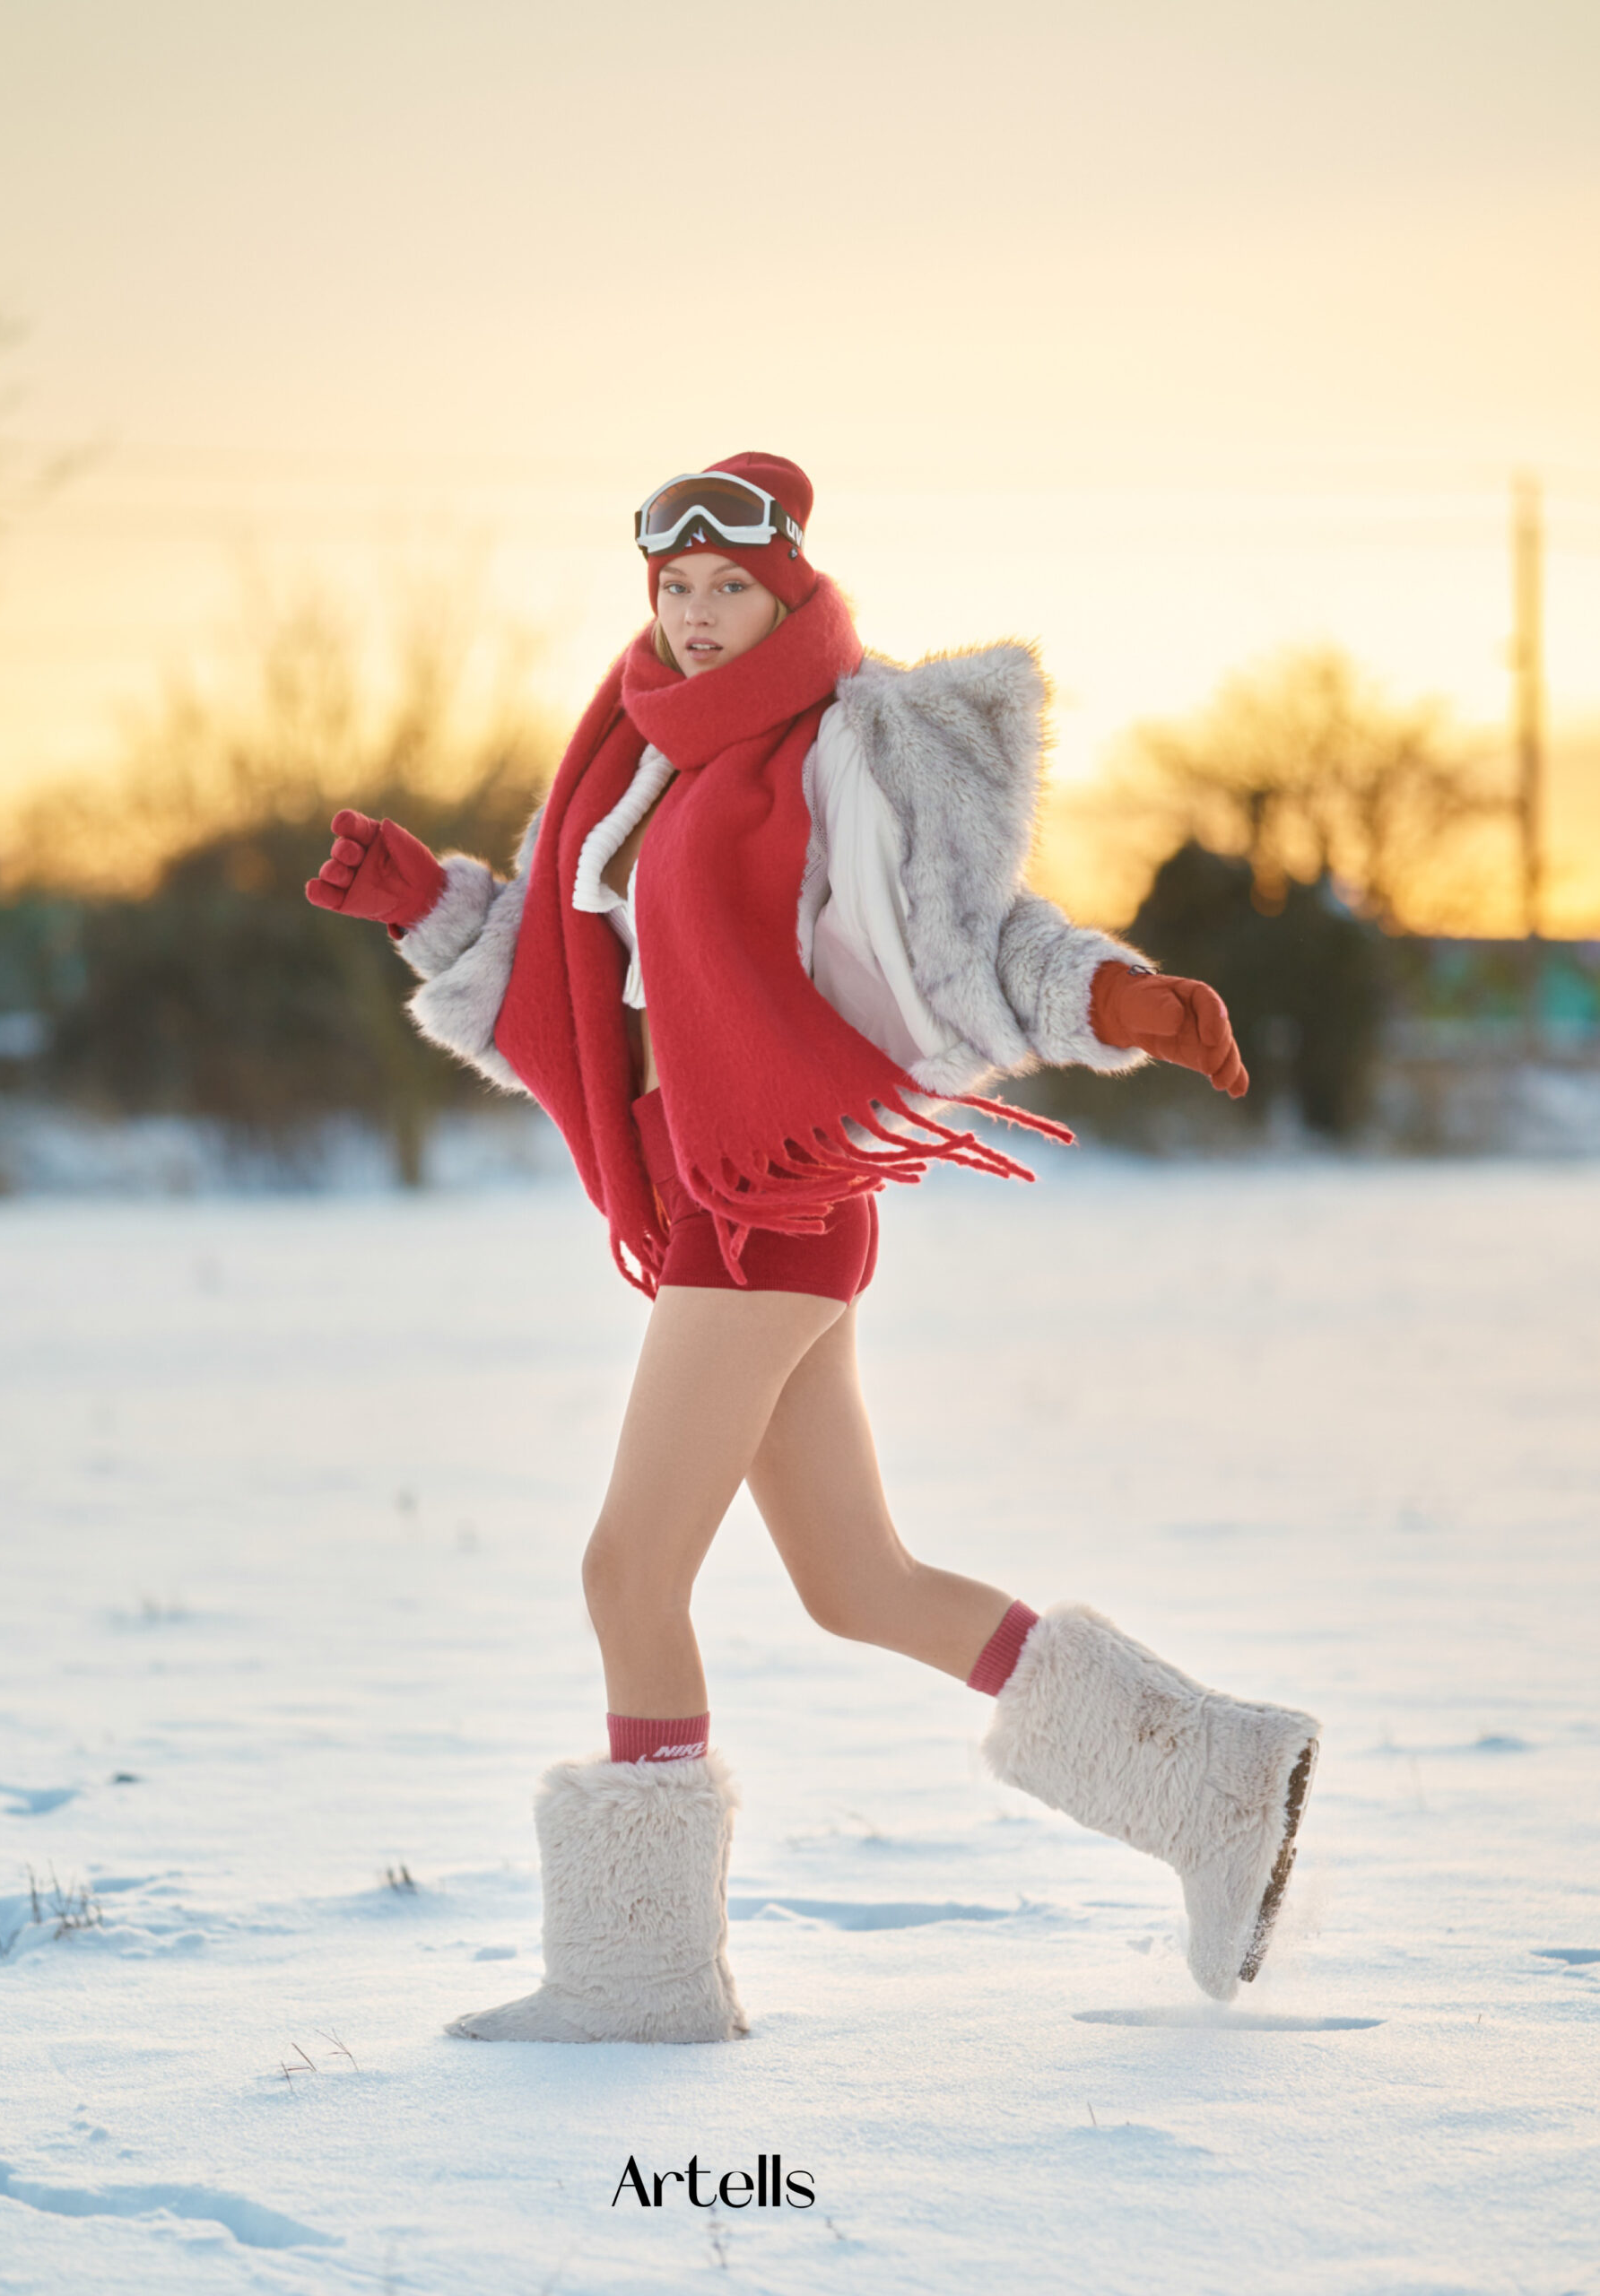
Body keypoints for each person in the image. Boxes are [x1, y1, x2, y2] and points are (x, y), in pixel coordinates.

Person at [307, 454, 1317, 2042]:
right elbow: (578, 975)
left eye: (731, 587)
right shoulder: (636, 756)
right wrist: (425, 899)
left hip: (770, 1202)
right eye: (676, 588)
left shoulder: (852, 748)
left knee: (627, 1569)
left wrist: (1116, 1000)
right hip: (716, 1197)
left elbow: (973, 934)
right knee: (858, 1582)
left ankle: (637, 1975)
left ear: (786, 591)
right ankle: (1209, 1776)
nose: (699, 616)